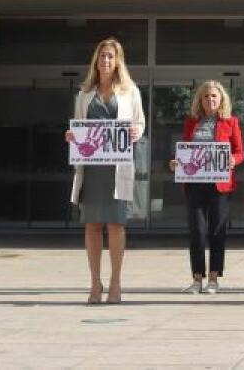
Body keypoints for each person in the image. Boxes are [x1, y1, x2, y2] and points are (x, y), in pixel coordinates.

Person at [65, 38, 145, 305]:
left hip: (117, 168)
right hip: (92, 168)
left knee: (116, 224)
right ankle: (94, 282)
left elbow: (139, 122)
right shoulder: (84, 93)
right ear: (96, 61)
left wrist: (136, 131)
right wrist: (72, 136)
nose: (106, 61)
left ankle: (115, 283)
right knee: (92, 225)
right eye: (102, 56)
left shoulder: (130, 91)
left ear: (118, 60)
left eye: (111, 56)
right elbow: (78, 127)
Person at [170, 80, 244, 294]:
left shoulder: (230, 122)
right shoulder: (191, 122)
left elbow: (240, 152)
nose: (210, 100)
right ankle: (196, 279)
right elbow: (183, 151)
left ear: (221, 99)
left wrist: (233, 160)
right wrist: (175, 162)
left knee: (216, 232)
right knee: (197, 232)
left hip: (220, 185)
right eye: (206, 96)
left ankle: (213, 279)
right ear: (200, 100)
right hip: (194, 184)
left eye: (214, 96)